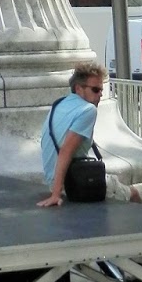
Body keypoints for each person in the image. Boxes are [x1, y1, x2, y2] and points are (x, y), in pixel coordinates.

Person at [38, 62, 107, 208]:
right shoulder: (88, 110)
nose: (100, 94)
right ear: (78, 88)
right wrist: (56, 194)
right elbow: (66, 151)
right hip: (73, 182)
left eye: (101, 90)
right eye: (95, 90)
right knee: (132, 193)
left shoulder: (59, 103)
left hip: (54, 179)